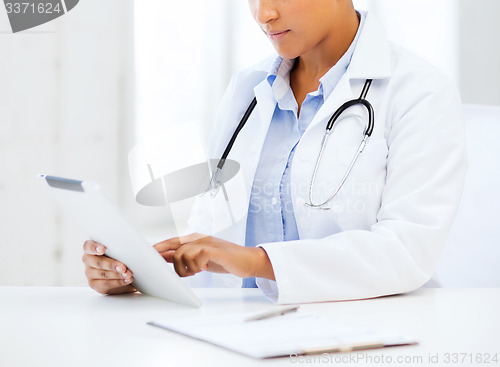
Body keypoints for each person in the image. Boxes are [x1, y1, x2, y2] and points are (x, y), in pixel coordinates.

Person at [82, 0, 467, 303]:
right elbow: (212, 233)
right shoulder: (247, 90)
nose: (264, 14)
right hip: (247, 337)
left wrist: (258, 261)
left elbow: (406, 251)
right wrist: (143, 276)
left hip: (371, 335)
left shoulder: (420, 92)